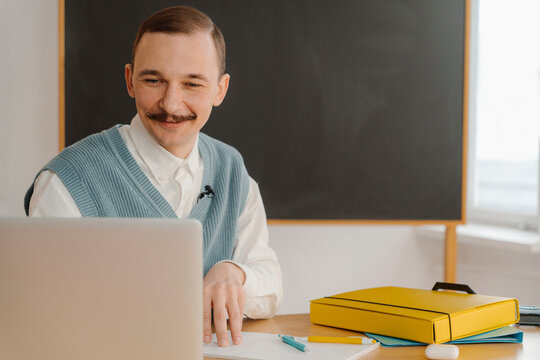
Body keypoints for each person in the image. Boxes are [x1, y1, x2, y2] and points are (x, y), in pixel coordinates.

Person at [24, 5, 282, 348]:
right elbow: (40, 310)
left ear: (220, 90)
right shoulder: (67, 182)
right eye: (153, 80)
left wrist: (234, 273)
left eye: (192, 83)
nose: (171, 103)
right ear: (130, 80)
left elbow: (270, 286)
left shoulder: (234, 172)